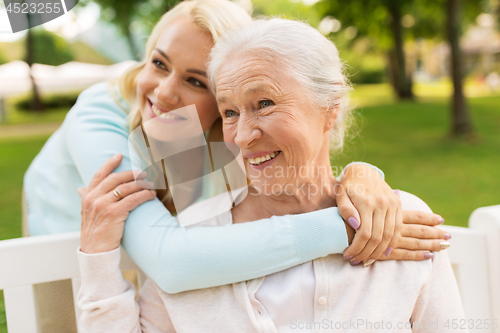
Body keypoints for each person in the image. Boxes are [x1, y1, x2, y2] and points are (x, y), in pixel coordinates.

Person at [24, 0, 449, 292]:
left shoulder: (204, 130)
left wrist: (360, 174)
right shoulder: (101, 112)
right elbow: (172, 262)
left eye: (195, 81)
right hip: (58, 262)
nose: (165, 92)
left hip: (138, 276)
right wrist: (347, 228)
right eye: (158, 62)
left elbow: (293, 176)